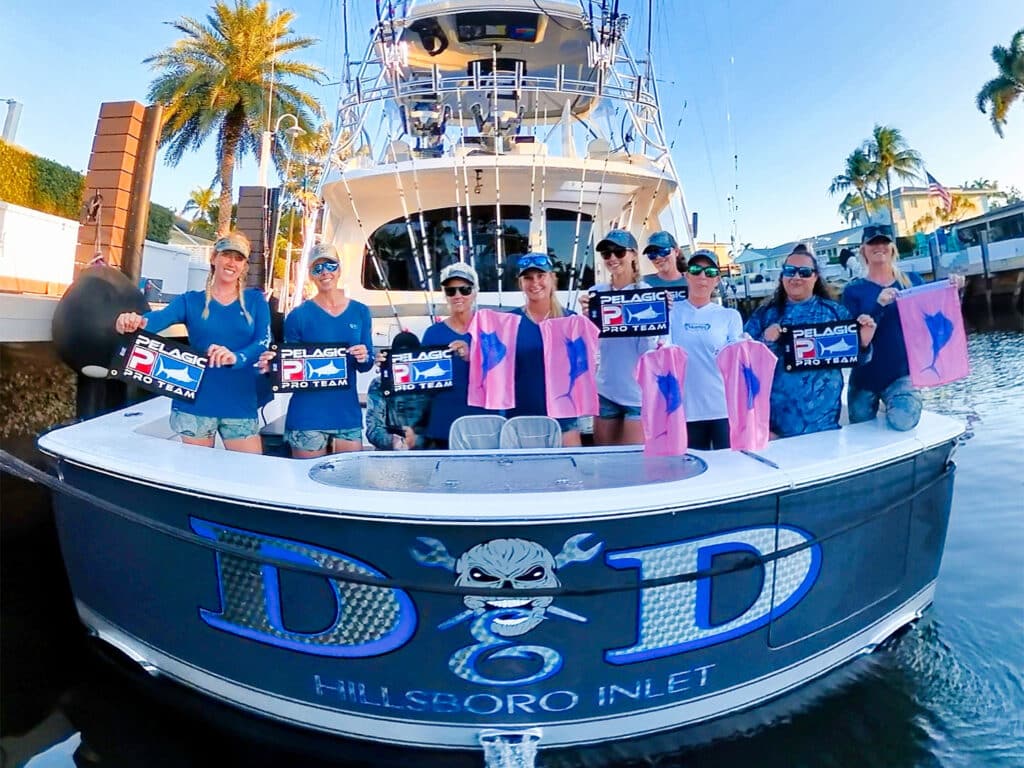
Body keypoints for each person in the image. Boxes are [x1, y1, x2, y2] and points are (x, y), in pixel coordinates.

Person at [114, 231, 270, 453]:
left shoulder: (256, 301)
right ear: (214, 257)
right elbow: (153, 321)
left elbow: (263, 341)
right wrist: (131, 321)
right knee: (197, 473)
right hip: (194, 404)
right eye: (226, 254)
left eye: (239, 258)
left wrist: (236, 356)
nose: (231, 262)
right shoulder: (190, 301)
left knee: (248, 473)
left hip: (241, 402)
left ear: (244, 266)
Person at [744, 244, 877, 438]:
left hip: (825, 426)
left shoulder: (835, 312)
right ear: (782, 276)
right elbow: (744, 363)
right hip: (776, 429)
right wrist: (766, 340)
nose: (796, 277)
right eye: (790, 271)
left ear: (815, 277)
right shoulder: (764, 314)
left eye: (804, 272)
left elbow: (858, 359)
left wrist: (864, 343)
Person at [278, 243, 373, 457]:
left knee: (349, 483)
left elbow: (367, 364)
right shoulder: (298, 316)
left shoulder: (360, 311)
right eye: (317, 268)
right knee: (305, 485)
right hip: (307, 417)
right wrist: (272, 364)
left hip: (346, 416)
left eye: (330, 265)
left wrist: (364, 355)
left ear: (339, 269)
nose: (325, 272)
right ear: (311, 275)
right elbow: (288, 369)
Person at [840, 224, 924, 431]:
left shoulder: (912, 281)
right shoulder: (853, 290)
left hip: (900, 374)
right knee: (860, 429)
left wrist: (955, 291)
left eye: (884, 242)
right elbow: (852, 339)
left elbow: (934, 315)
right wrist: (878, 306)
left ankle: (901, 400)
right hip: (864, 378)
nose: (879, 246)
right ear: (863, 250)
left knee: (903, 420)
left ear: (893, 247)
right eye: (872, 243)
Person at [579, 229, 657, 446]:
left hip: (638, 394)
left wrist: (659, 314)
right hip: (605, 390)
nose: (612, 258)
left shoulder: (648, 292)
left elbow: (650, 349)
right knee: (603, 459)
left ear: (633, 255)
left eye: (619, 252)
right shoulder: (596, 292)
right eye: (606, 253)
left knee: (633, 463)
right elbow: (590, 344)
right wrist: (586, 319)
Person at [669, 249, 743, 449]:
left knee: (729, 469)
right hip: (684, 411)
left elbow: (738, 363)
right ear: (686, 275)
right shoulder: (670, 313)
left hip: (723, 411)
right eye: (696, 270)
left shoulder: (730, 316)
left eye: (709, 272)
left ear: (717, 280)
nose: (702, 276)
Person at [508, 252, 582, 447]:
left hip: (565, 418)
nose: (535, 283)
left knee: (573, 475)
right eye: (528, 278)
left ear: (552, 278)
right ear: (521, 283)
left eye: (541, 276)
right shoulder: (509, 322)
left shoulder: (571, 320)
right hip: (521, 418)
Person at [420, 262, 492, 448]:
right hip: (442, 425)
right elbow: (420, 385)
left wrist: (473, 356)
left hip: (485, 424)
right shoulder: (432, 333)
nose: (458, 295)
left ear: (475, 292)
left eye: (464, 289)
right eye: (451, 291)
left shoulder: (491, 329)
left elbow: (504, 372)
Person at [365, 331, 432, 450]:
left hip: (425, 452)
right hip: (389, 456)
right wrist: (394, 442)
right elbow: (373, 429)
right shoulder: (379, 384)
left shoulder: (432, 384)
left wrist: (417, 441)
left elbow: (438, 426)